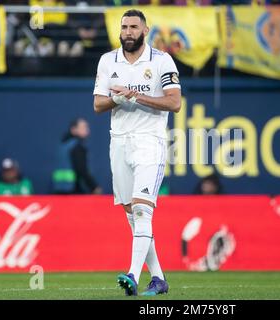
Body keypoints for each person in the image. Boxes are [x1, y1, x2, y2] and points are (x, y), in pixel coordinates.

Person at [93, 9, 181, 296]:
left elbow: (174, 102)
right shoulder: (108, 61)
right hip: (118, 142)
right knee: (133, 216)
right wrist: (117, 98)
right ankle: (158, 278)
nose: (128, 32)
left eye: (134, 27)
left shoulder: (161, 60)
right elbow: (98, 104)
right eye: (124, 27)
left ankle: (131, 274)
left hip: (149, 141)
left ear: (145, 30)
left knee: (143, 209)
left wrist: (137, 95)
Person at [52, 118, 102, 194]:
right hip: (73, 191)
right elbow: (81, 169)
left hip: (58, 190)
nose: (87, 130)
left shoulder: (63, 145)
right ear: (73, 129)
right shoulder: (77, 147)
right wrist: (94, 187)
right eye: (84, 127)